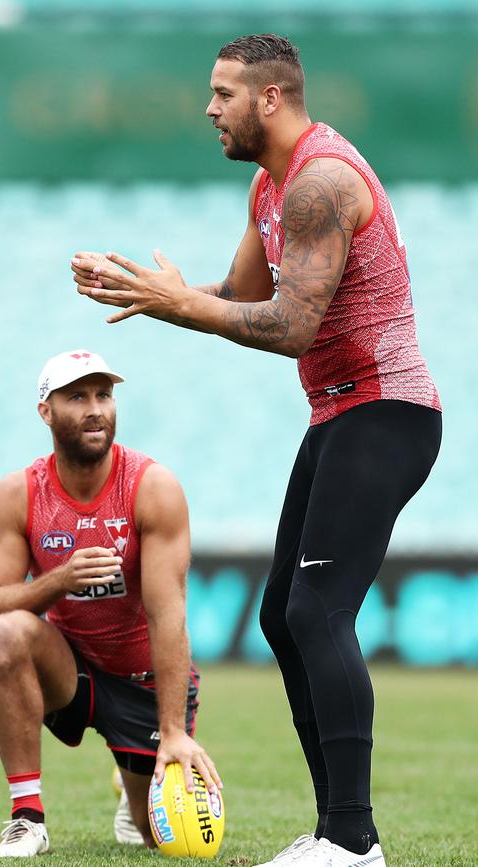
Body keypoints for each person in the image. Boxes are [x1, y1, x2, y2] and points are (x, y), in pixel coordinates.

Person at [71, 33, 442, 867]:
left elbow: (289, 325)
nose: (210, 108)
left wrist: (173, 302)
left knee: (317, 611)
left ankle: (352, 842)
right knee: (283, 614)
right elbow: (242, 295)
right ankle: (338, 831)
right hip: (340, 415)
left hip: (388, 411)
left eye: (223, 92)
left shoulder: (320, 181)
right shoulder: (270, 187)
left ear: (270, 98)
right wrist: (147, 290)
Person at [0, 349, 220, 858]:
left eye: (104, 395)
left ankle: (130, 778)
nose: (96, 409)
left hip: (140, 683)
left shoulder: (152, 487)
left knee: (166, 843)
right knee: (8, 633)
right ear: (46, 411)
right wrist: (60, 579)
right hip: (70, 669)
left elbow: (168, 614)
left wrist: (173, 731)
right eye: (77, 397)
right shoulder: (19, 492)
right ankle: (27, 817)